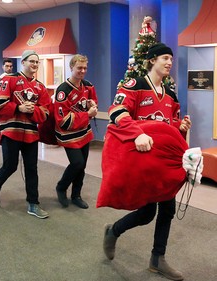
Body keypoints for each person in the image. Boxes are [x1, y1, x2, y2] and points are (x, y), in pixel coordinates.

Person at [102, 43, 191, 281]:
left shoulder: (171, 94)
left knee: (168, 209)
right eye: (164, 58)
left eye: (171, 59)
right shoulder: (135, 85)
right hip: (141, 159)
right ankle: (114, 230)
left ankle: (157, 258)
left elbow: (170, 126)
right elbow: (116, 111)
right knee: (146, 213)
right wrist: (136, 133)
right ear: (152, 60)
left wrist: (179, 128)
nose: (169, 62)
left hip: (162, 162)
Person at [0, 50, 51, 219]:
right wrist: (18, 108)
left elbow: (45, 112)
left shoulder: (41, 87)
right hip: (10, 130)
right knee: (10, 166)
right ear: (22, 62)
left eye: (37, 62)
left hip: (31, 133)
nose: (35, 65)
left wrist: (33, 111)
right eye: (32, 61)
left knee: (32, 169)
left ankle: (33, 203)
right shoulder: (8, 80)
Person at [54, 54, 98, 209]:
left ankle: (76, 195)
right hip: (69, 135)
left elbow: (94, 104)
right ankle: (61, 187)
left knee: (82, 165)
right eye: (79, 68)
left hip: (84, 132)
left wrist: (92, 106)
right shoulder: (62, 90)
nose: (83, 71)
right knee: (77, 163)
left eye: (85, 68)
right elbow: (63, 121)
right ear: (71, 67)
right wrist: (87, 114)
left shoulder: (88, 86)